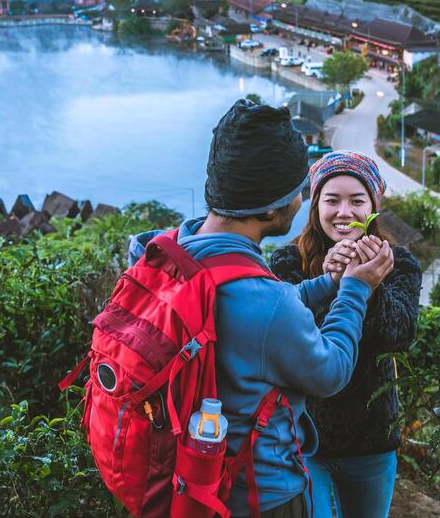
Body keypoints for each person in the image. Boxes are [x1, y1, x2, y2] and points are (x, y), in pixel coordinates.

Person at [128, 100, 395, 517]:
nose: (301, 200)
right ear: (273, 207)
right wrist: (356, 289)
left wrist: (327, 284)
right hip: (259, 493)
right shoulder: (266, 301)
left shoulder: (162, 254)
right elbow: (330, 372)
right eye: (298, 191)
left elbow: (256, 317)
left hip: (179, 474)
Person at [268, 151, 422, 518]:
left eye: (357, 200)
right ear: (315, 204)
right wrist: (330, 282)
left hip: (372, 438)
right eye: (332, 200)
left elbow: (398, 336)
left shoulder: (398, 263)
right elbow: (290, 341)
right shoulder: (288, 262)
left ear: (374, 205)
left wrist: (370, 284)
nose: (344, 212)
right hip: (304, 437)